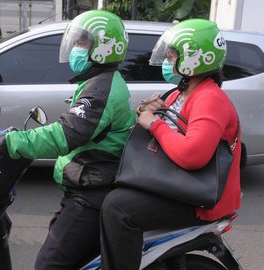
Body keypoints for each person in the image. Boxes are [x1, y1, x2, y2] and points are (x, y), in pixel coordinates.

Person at [0, 10, 135, 270]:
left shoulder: (101, 88)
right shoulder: (100, 81)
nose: (75, 49)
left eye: (82, 43)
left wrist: (10, 142)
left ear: (104, 48)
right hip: (87, 185)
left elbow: (65, 134)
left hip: (90, 194)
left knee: (48, 265)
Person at [99, 18, 242, 269]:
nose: (167, 60)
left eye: (173, 55)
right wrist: (150, 111)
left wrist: (154, 124)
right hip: (180, 183)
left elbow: (192, 154)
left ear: (195, 58)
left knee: (118, 209)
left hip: (200, 199)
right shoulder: (182, 91)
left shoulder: (210, 98)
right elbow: (164, 123)